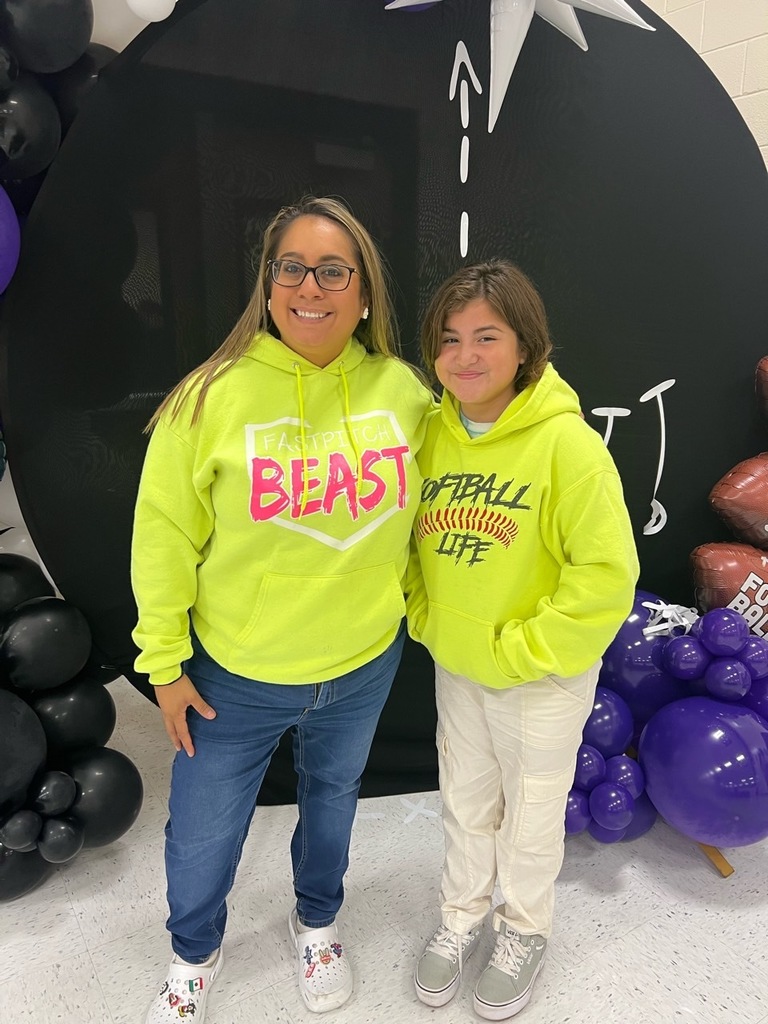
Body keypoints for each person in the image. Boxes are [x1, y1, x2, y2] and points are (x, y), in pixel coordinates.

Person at [131, 196, 435, 1023]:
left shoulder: (407, 393)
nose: (311, 285)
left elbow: (438, 514)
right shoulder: (209, 399)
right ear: (268, 287)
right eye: (291, 268)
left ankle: (319, 921)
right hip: (236, 677)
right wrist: (163, 668)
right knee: (199, 840)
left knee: (333, 802)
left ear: (364, 291)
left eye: (333, 270)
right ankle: (193, 954)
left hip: (364, 665)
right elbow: (160, 544)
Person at [407, 261, 639, 1020]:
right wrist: (426, 616)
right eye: (449, 339)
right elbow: (406, 543)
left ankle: (523, 930)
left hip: (540, 677)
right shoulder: (431, 436)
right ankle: (462, 917)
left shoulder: (568, 446)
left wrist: (521, 651)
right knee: (465, 806)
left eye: (485, 337)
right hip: (458, 666)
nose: (464, 356)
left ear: (524, 346)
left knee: (532, 819)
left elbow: (606, 576)